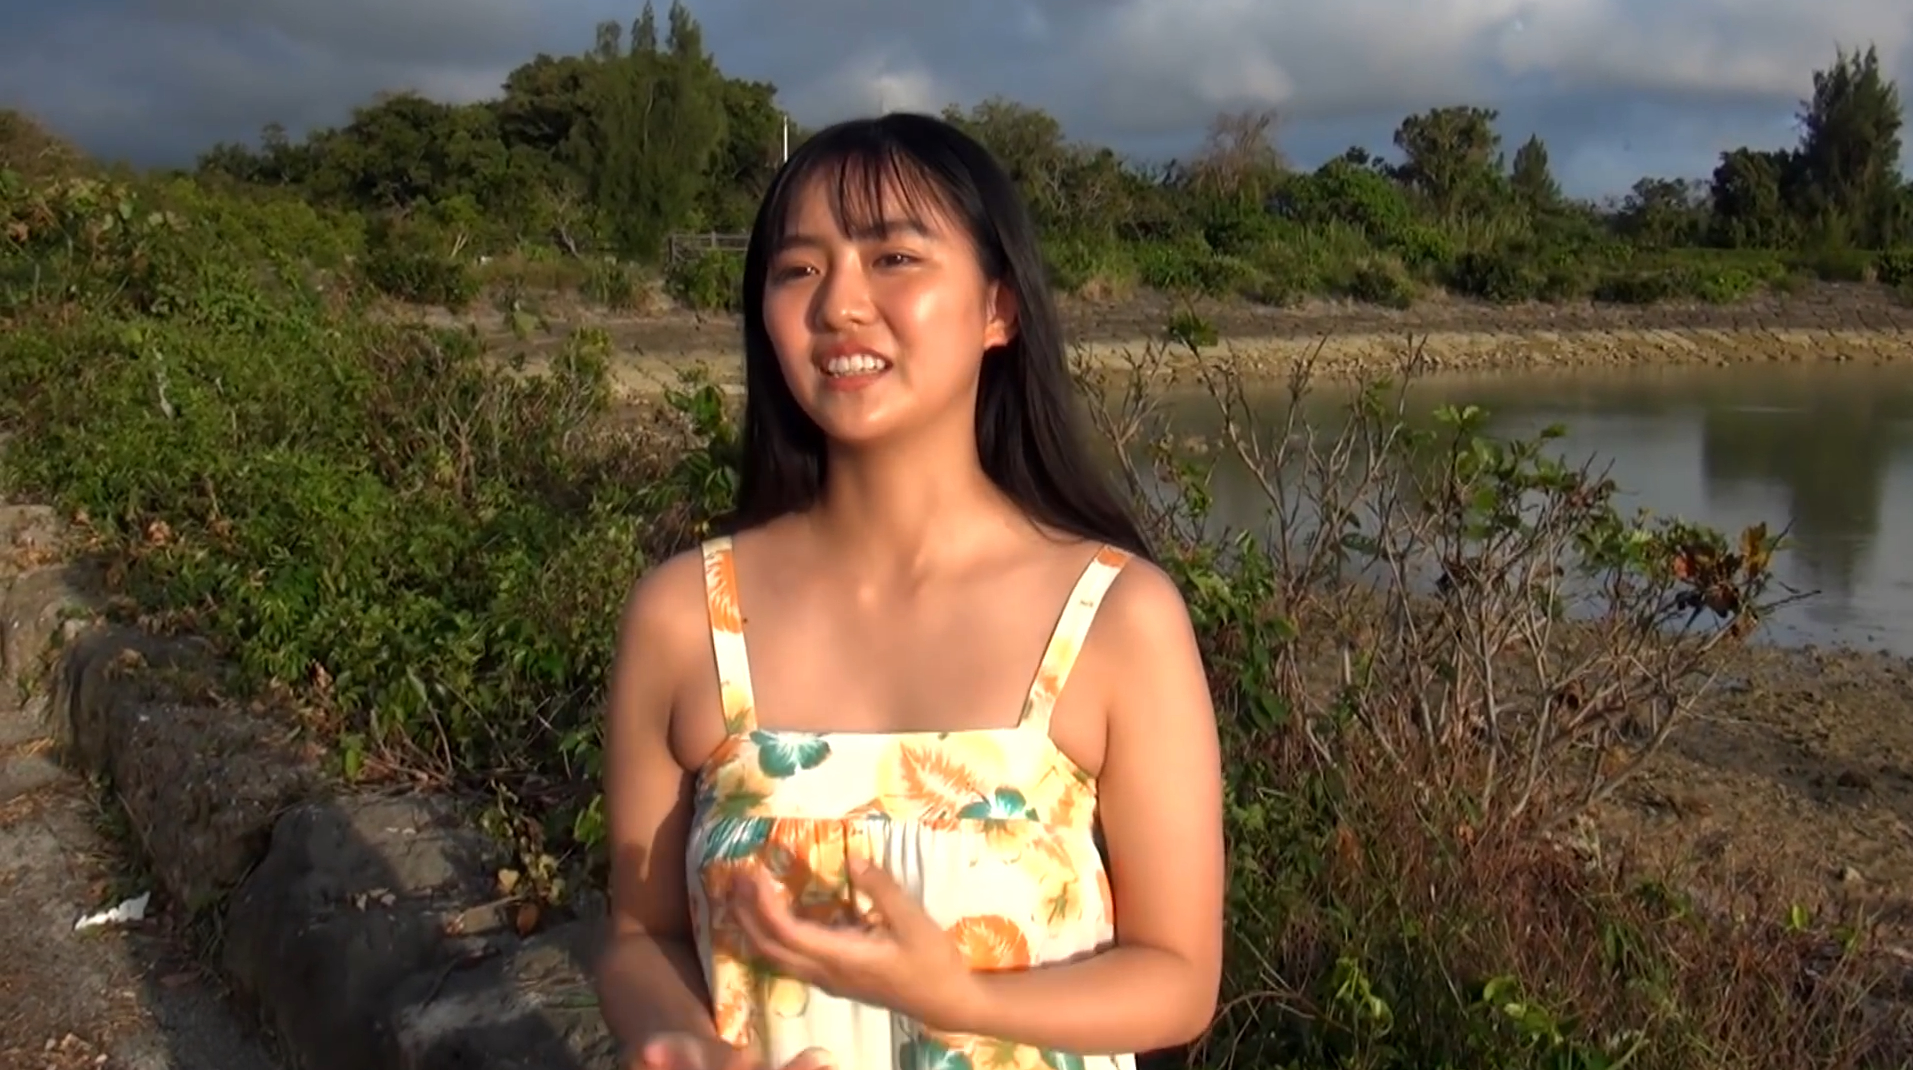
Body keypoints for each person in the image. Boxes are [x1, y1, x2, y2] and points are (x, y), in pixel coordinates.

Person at [595, 112, 1224, 1070]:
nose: (839, 304)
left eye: (893, 258)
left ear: (998, 308)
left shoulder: (1117, 616)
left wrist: (962, 999)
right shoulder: (684, 617)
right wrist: (685, 1045)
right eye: (798, 268)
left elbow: (1177, 979)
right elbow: (640, 938)